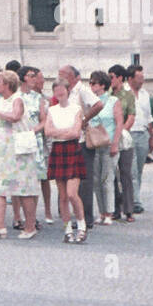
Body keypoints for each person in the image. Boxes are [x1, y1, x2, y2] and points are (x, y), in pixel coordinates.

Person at [0, 69, 39, 240]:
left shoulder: (17, 99)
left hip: (18, 153)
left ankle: (30, 226)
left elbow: (16, 116)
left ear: (7, 84)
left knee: (23, 190)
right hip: (3, 153)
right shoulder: (0, 100)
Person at [60, 64, 103, 228]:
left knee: (84, 180)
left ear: (71, 76)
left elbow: (98, 104)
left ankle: (86, 216)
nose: (59, 77)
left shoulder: (82, 90)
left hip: (83, 141)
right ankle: (78, 215)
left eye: (62, 74)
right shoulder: (68, 92)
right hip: (71, 140)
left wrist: (84, 120)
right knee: (74, 179)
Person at [44, 78, 87, 243]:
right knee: (62, 196)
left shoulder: (76, 108)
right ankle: (67, 229)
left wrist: (58, 132)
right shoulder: (52, 110)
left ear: (68, 90)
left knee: (71, 194)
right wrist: (63, 132)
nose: (60, 92)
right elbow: (48, 131)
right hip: (58, 150)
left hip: (72, 149)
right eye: (56, 90)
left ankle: (82, 226)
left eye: (62, 89)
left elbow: (76, 133)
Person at [88, 70, 123, 225]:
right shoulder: (90, 102)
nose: (91, 86)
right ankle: (101, 212)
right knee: (96, 179)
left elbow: (119, 123)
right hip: (94, 143)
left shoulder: (113, 100)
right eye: (90, 83)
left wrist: (115, 143)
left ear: (102, 85)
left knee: (107, 178)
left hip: (109, 142)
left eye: (94, 83)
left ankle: (109, 212)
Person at [19, 67, 52, 224]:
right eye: (31, 76)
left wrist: (35, 129)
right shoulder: (16, 96)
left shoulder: (38, 98)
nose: (34, 79)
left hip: (34, 139)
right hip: (19, 138)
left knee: (35, 178)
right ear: (23, 78)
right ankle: (20, 216)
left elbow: (43, 119)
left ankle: (33, 217)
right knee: (20, 178)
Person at [127, 63, 153, 208]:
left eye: (142, 77)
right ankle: (135, 201)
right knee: (131, 169)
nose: (142, 80)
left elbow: (149, 117)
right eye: (139, 77)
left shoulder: (145, 94)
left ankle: (134, 197)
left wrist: (151, 138)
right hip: (129, 133)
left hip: (143, 134)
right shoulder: (125, 93)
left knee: (138, 169)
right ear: (130, 79)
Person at [108, 64, 136, 221]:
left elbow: (131, 116)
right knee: (111, 174)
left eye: (112, 77)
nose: (110, 80)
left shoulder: (128, 95)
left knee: (125, 173)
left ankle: (129, 209)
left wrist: (121, 132)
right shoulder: (108, 95)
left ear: (120, 78)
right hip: (109, 138)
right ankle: (114, 208)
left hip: (124, 139)